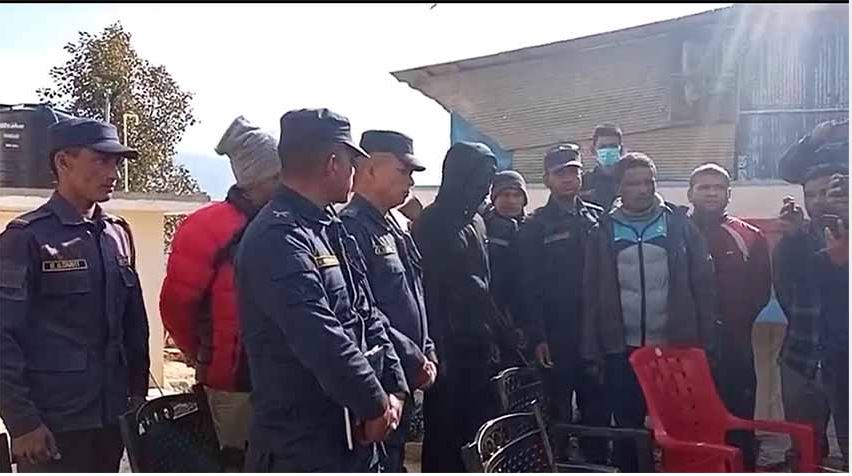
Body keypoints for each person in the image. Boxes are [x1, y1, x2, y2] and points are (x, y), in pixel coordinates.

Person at [235, 108, 409, 472]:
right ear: (332, 163)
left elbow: (367, 311)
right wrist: (375, 403)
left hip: (349, 435)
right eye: (351, 162)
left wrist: (393, 387)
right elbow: (319, 334)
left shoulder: (329, 228)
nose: (354, 171)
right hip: (301, 446)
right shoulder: (278, 237)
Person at [0, 118, 150, 472]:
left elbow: (134, 325)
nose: (113, 173)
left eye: (116, 162)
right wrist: (22, 422)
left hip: (112, 417)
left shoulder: (116, 234)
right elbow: (3, 336)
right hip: (53, 425)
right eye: (101, 160)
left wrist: (138, 395)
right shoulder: (26, 238)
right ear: (63, 162)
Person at [581, 152, 721, 472]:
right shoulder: (602, 230)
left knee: (676, 427)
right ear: (619, 187)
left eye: (649, 182)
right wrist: (592, 348)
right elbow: (591, 294)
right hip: (622, 350)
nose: (643, 189)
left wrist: (707, 341)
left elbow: (704, 287)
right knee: (627, 427)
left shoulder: (678, 225)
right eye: (634, 183)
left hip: (673, 349)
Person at [159, 116, 282, 465]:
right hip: (232, 384)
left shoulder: (287, 222)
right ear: (255, 179)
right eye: (277, 177)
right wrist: (204, 354)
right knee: (234, 462)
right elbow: (176, 307)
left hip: (285, 382)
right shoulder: (207, 227)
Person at [413, 141, 515, 472]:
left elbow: (484, 288)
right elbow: (431, 294)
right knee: (446, 436)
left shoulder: (478, 222)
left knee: (479, 434)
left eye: (489, 179)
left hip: (480, 346)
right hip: (449, 349)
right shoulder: (433, 223)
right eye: (480, 179)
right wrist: (436, 352)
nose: (485, 188)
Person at [339, 130, 437, 472]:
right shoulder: (351, 227)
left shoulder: (391, 225)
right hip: (380, 380)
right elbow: (364, 309)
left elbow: (413, 293)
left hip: (406, 373)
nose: (410, 181)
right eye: (403, 170)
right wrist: (413, 357)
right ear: (369, 169)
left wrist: (426, 348)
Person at [518, 144, 608, 462]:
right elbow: (529, 286)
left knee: (597, 409)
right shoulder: (535, 226)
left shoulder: (597, 218)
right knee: (557, 411)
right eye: (560, 174)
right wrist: (539, 336)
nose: (568, 179)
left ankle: (595, 464)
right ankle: (555, 464)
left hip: (594, 330)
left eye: (573, 172)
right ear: (547, 180)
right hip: (557, 333)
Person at [688, 163, 771, 470]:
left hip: (735, 345)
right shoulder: (676, 231)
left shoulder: (749, 235)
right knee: (691, 419)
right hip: (688, 345)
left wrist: (734, 321)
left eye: (718, 188)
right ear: (690, 193)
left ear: (728, 194)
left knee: (738, 417)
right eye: (704, 187)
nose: (711, 193)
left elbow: (761, 291)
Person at [775, 161, 849, 464]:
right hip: (800, 355)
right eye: (810, 194)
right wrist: (793, 240)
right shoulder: (795, 237)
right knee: (805, 450)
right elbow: (784, 291)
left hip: (844, 359)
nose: (818, 201)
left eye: (826, 192)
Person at [482, 169, 529, 368]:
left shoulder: (533, 228)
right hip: (492, 317)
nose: (511, 201)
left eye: (516, 195)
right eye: (505, 195)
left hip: (527, 316)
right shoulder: (483, 228)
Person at [579, 123, 624, 210]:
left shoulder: (630, 179)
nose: (608, 151)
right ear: (593, 150)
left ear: (621, 150)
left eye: (613, 146)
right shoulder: (584, 183)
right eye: (602, 147)